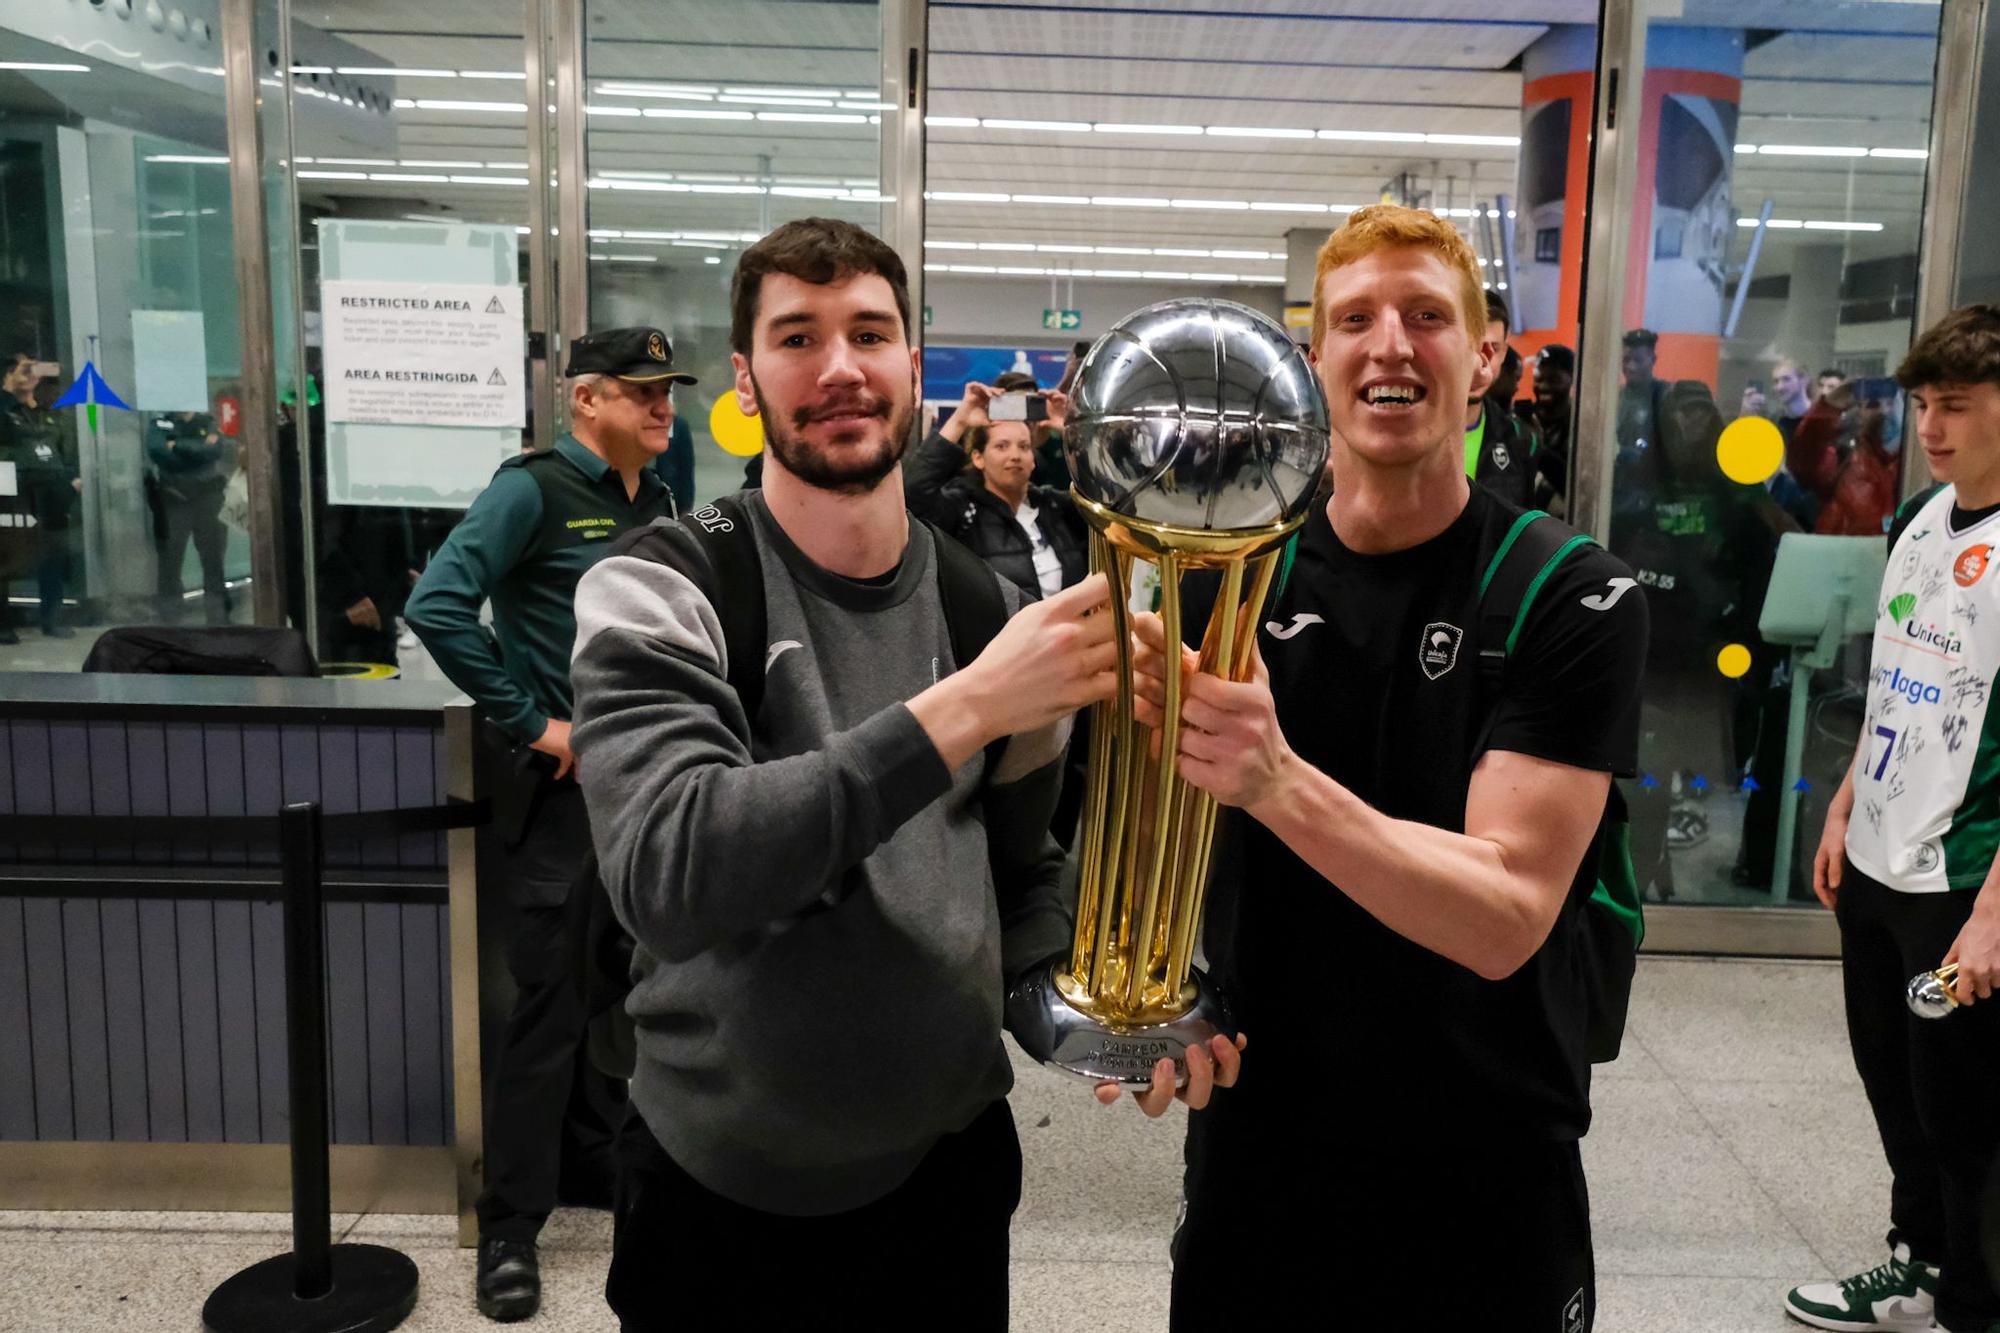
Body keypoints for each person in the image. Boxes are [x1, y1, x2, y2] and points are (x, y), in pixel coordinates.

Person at [568, 217, 1238, 1332]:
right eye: (796, 336)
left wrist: (1101, 1012)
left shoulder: (983, 607)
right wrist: (968, 703)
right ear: (746, 377)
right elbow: (671, 871)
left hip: (944, 1186)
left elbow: (1019, 879)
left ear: (912, 369)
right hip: (718, 1202)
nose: (838, 366)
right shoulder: (666, 583)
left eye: (868, 333)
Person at [1144, 203, 1646, 1330]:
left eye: (1426, 315)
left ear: (1484, 359)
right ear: (1312, 359)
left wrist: (1276, 781)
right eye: (1354, 319)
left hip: (1481, 1165)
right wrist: (1152, 1003)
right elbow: (1152, 848)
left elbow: (1503, 912)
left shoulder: (1567, 591)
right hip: (1257, 1153)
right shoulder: (1225, 581)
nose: (1388, 344)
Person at [405, 325, 689, 1323]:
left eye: (668, 392)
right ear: (587, 400)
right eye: (643, 391)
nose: (663, 407)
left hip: (640, 788)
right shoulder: (530, 489)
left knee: (618, 993)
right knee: (545, 1015)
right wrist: (531, 720)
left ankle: (591, 1168)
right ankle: (509, 1228)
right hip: (562, 800)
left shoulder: (653, 500)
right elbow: (441, 604)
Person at [1786, 304, 2000, 1333]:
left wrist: (1993, 915)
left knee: (1966, 1113)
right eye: (1921, 405)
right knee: (1894, 1087)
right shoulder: (1919, 515)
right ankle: (1915, 1260)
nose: (1930, 426)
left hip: (1962, 885)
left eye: (1953, 406)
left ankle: (1976, 1301)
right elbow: (1895, 681)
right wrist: (1839, 806)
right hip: (1875, 858)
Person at [905, 379, 1088, 602]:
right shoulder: (963, 510)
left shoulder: (1055, 507)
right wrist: (960, 419)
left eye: (1024, 446)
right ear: (978, 458)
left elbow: (1110, 500)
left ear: (1034, 460)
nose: (1015, 455)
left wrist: (1072, 430)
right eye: (1001, 446)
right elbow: (912, 496)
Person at [0, 354, 79, 640]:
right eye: (25, 370)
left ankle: (53, 618)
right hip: (17, 493)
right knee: (8, 557)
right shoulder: (6, 410)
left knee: (53, 554)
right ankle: (3, 623)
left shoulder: (47, 412)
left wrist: (73, 481)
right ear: (9, 374)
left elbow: (64, 449)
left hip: (52, 494)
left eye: (34, 369)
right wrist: (9, 390)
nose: (32, 375)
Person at [144, 408, 230, 624]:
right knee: (170, 561)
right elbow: (159, 452)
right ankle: (170, 618)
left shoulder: (208, 422)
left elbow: (216, 450)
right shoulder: (161, 423)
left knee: (213, 559)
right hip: (173, 500)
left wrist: (178, 446)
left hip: (208, 499)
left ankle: (218, 616)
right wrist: (199, 451)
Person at [1464, 289, 1537, 507]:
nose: (1480, 363)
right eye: (1471, 347)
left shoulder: (1521, 439)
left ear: (1504, 353)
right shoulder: (1404, 429)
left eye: (1493, 349)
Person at [1530, 343, 1577, 512]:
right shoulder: (1522, 420)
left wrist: (1538, 447)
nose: (1543, 386)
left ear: (1572, 378)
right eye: (1539, 379)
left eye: (1553, 380)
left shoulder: (1579, 425)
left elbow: (1576, 485)